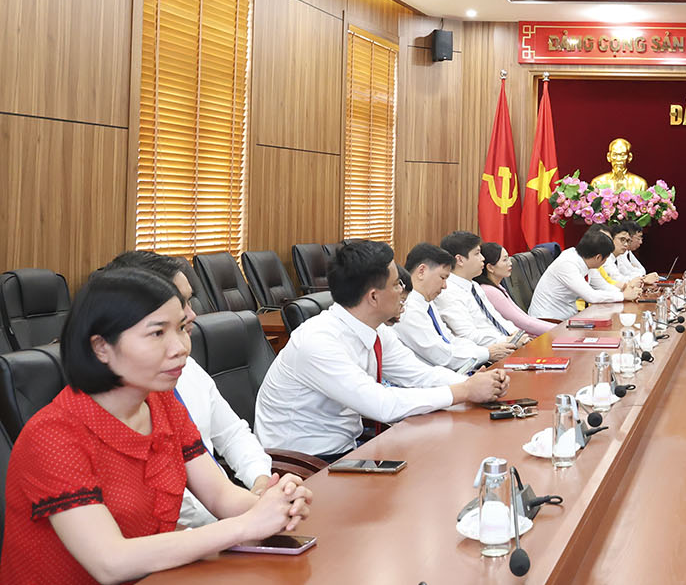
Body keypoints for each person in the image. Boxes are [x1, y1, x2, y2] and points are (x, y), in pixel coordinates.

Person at [0, 268, 312, 585]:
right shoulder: (53, 435)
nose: (181, 347)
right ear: (101, 347)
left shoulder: (161, 403)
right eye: (157, 333)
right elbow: (110, 562)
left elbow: (220, 496)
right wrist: (245, 526)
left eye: (182, 328)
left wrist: (272, 506)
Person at [254, 240, 509, 460]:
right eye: (397, 284)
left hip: (347, 451)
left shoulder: (375, 329)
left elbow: (418, 374)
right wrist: (464, 391)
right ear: (373, 297)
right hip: (302, 465)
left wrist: (477, 384)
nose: (403, 291)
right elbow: (382, 404)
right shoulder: (318, 342)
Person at [98, 251, 275, 529]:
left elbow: (230, 440)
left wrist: (264, 492)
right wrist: (244, 522)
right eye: (178, 306)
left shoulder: (180, 377)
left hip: (216, 527)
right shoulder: (71, 426)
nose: (191, 314)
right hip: (183, 538)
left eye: (189, 302)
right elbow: (111, 552)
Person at [393, 243, 510, 372]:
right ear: (422, 271)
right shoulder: (407, 309)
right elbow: (441, 356)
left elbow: (449, 340)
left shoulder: (427, 303)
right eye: (442, 278)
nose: (445, 286)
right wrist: (487, 353)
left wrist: (485, 351)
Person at [527, 228, 637, 322]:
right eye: (606, 258)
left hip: (568, 317)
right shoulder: (567, 264)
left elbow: (603, 286)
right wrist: (623, 296)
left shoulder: (587, 260)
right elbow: (591, 296)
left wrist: (628, 293)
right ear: (598, 257)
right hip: (548, 320)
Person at [433, 231, 518, 344]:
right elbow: (468, 335)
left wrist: (517, 334)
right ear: (460, 260)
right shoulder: (447, 292)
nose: (482, 258)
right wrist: (508, 340)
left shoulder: (474, 285)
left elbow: (496, 318)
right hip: (488, 350)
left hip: (505, 342)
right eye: (477, 253)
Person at [474, 242, 552, 337]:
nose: (510, 263)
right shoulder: (489, 291)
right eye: (505, 260)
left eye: (508, 258)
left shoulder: (496, 286)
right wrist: (557, 329)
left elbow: (524, 318)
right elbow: (524, 323)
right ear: (490, 267)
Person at [596, 224, 647, 293]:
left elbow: (627, 274)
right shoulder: (604, 258)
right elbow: (618, 280)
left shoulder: (618, 256)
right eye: (622, 240)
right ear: (610, 239)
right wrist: (643, 279)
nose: (626, 244)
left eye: (627, 241)